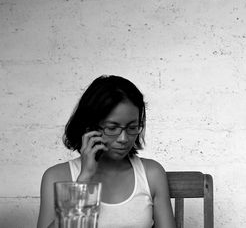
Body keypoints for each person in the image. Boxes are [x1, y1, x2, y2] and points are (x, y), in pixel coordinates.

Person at [37, 75, 176, 228]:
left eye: (132, 127)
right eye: (112, 128)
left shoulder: (151, 173)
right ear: (90, 127)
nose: (123, 138)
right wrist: (84, 179)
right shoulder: (57, 176)